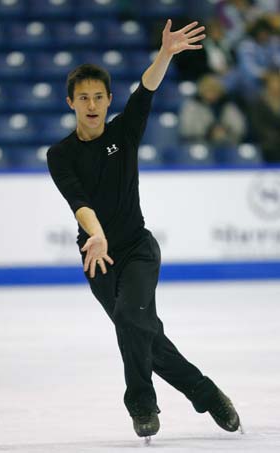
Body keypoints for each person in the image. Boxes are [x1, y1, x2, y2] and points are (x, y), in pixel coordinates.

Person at [47, 19, 241, 439]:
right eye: (84, 98)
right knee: (145, 335)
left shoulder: (125, 131)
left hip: (137, 249)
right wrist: (95, 233)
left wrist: (166, 53)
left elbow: (146, 89)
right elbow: (78, 201)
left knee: (131, 319)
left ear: (109, 99)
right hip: (97, 259)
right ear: (71, 103)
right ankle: (207, 394)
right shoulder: (59, 155)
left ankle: (142, 405)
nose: (92, 104)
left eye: (99, 96)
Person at [179, 73, 247, 148]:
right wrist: (209, 131)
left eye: (214, 90)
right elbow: (186, 129)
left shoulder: (227, 105)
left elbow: (240, 127)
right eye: (208, 90)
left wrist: (225, 130)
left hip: (226, 145)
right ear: (202, 91)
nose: (211, 94)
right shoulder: (192, 106)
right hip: (198, 145)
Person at [248, 70, 280, 162]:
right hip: (268, 145)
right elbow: (257, 125)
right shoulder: (258, 103)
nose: (276, 85)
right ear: (267, 84)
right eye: (274, 82)